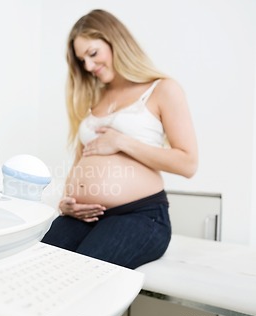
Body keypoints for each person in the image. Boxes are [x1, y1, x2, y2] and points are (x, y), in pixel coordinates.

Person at [41, 9, 198, 269]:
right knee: (39, 265)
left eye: (93, 54)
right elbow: (82, 158)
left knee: (79, 273)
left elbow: (188, 163)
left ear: (115, 41)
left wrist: (123, 142)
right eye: (82, 61)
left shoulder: (162, 89)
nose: (89, 66)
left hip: (140, 215)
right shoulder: (93, 98)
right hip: (83, 216)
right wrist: (66, 201)